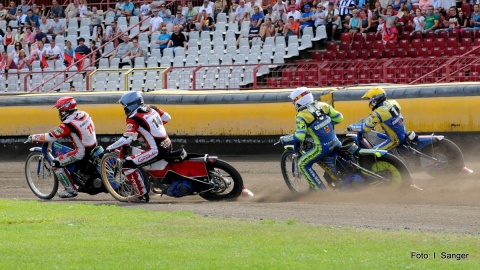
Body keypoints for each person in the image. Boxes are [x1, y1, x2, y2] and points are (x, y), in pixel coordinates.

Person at [106, 91, 173, 202]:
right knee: (139, 157)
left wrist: (110, 148)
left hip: (157, 150)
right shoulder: (152, 108)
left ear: (129, 105)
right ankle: (150, 187)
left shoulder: (133, 117)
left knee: (128, 164)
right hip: (167, 144)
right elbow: (167, 118)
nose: (124, 109)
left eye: (124, 106)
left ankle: (141, 196)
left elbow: (126, 139)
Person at [27, 97, 98, 198]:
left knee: (55, 163)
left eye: (60, 110)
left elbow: (51, 136)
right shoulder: (84, 114)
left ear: (65, 110)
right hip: (93, 146)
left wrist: (34, 137)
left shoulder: (68, 123)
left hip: (82, 152)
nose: (59, 113)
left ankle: (70, 190)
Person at [280, 87, 344, 190]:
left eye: (294, 101)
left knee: (302, 163)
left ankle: (320, 191)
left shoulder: (302, 115)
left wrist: (284, 139)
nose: (293, 103)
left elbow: (300, 136)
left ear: (299, 101)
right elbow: (339, 118)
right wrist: (324, 126)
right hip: (336, 142)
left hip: (322, 148)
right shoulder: (323, 106)